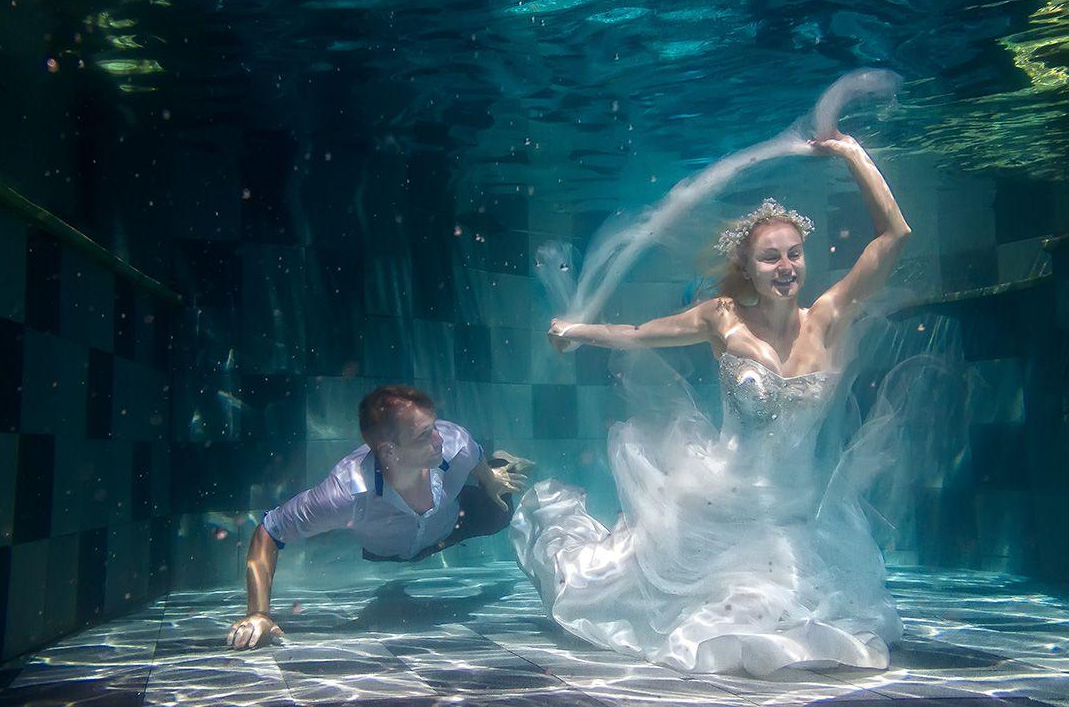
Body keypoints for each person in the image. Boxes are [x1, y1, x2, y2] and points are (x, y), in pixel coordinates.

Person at [514, 133, 914, 676]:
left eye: (794, 254)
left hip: (795, 513)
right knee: (710, 611)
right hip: (719, 500)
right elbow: (640, 333)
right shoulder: (723, 318)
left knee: (796, 611)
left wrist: (851, 153)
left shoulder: (827, 317)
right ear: (747, 267)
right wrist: (578, 331)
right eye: (770, 257)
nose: (785, 267)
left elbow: (895, 235)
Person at [228, 384, 533, 649]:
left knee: (501, 512)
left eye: (434, 426)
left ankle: (502, 462)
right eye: (424, 435)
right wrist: (259, 613)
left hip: (451, 522)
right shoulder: (345, 493)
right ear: (388, 451)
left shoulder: (454, 444)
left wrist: (490, 479)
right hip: (391, 551)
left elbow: (474, 455)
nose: (439, 439)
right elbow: (269, 530)